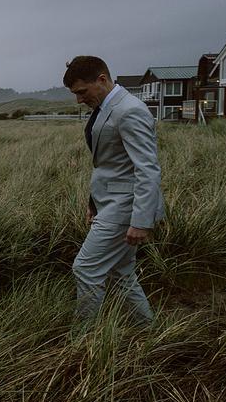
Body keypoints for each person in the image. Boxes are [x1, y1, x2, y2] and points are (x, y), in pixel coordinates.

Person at [63, 57, 163, 328]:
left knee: (85, 268)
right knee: (121, 273)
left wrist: (141, 221)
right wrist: (93, 203)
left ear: (102, 79)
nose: (79, 100)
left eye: (82, 92)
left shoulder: (130, 110)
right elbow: (110, 166)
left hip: (125, 208)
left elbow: (147, 169)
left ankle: (83, 340)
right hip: (109, 204)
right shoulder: (107, 107)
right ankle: (146, 330)